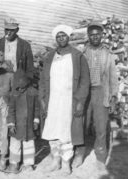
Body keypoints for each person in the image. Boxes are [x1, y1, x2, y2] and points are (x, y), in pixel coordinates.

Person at [39, 25, 90, 175]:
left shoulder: (77, 56)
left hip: (69, 101)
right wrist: (42, 99)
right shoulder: (50, 56)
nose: (61, 38)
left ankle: (66, 162)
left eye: (64, 36)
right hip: (52, 100)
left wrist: (80, 101)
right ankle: (56, 160)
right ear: (55, 39)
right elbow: (42, 80)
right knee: (53, 130)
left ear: (69, 37)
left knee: (66, 133)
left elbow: (84, 81)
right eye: (58, 36)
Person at [72, 22, 119, 171]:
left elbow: (113, 77)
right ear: (88, 36)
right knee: (81, 124)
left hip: (101, 92)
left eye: (97, 34)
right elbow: (76, 76)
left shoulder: (108, 54)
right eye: (92, 35)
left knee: (100, 126)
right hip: (85, 93)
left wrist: (113, 97)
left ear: (102, 35)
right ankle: (79, 154)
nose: (95, 37)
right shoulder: (82, 53)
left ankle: (100, 156)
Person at [7, 70, 40, 173]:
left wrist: (36, 121)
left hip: (28, 125)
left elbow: (37, 109)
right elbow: (11, 110)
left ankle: (28, 163)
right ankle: (14, 163)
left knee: (29, 144)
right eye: (19, 87)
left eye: (23, 86)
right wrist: (11, 124)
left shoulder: (33, 92)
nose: (21, 89)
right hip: (17, 125)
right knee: (14, 144)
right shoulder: (14, 94)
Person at [0, 18, 36, 84]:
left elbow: (30, 68)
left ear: (17, 30)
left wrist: (26, 82)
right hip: (0, 81)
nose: (9, 33)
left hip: (18, 81)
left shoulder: (25, 45)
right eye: (6, 29)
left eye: (12, 30)